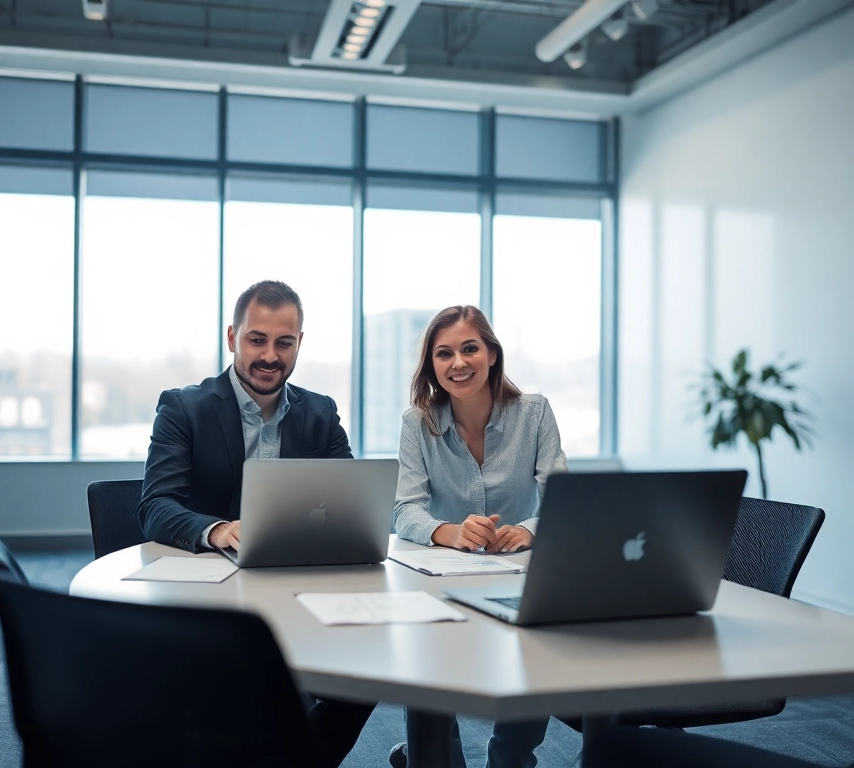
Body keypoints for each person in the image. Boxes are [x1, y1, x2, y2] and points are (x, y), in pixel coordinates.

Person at [137, 280, 372, 767]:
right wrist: (219, 529)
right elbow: (156, 506)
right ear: (232, 338)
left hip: (297, 592)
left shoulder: (321, 413)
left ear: (299, 344)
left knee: (372, 663)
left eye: (284, 342)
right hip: (211, 596)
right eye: (256, 339)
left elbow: (351, 500)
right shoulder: (184, 408)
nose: (270, 355)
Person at [391, 305, 568, 768]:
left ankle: (511, 758)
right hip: (442, 578)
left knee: (539, 646)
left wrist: (528, 531)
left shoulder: (535, 414)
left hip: (517, 574)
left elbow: (562, 501)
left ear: (492, 354)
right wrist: (449, 531)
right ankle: (433, 757)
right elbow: (403, 509)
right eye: (443, 353)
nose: (458, 363)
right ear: (432, 366)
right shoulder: (417, 422)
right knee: (425, 646)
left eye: (470, 348)